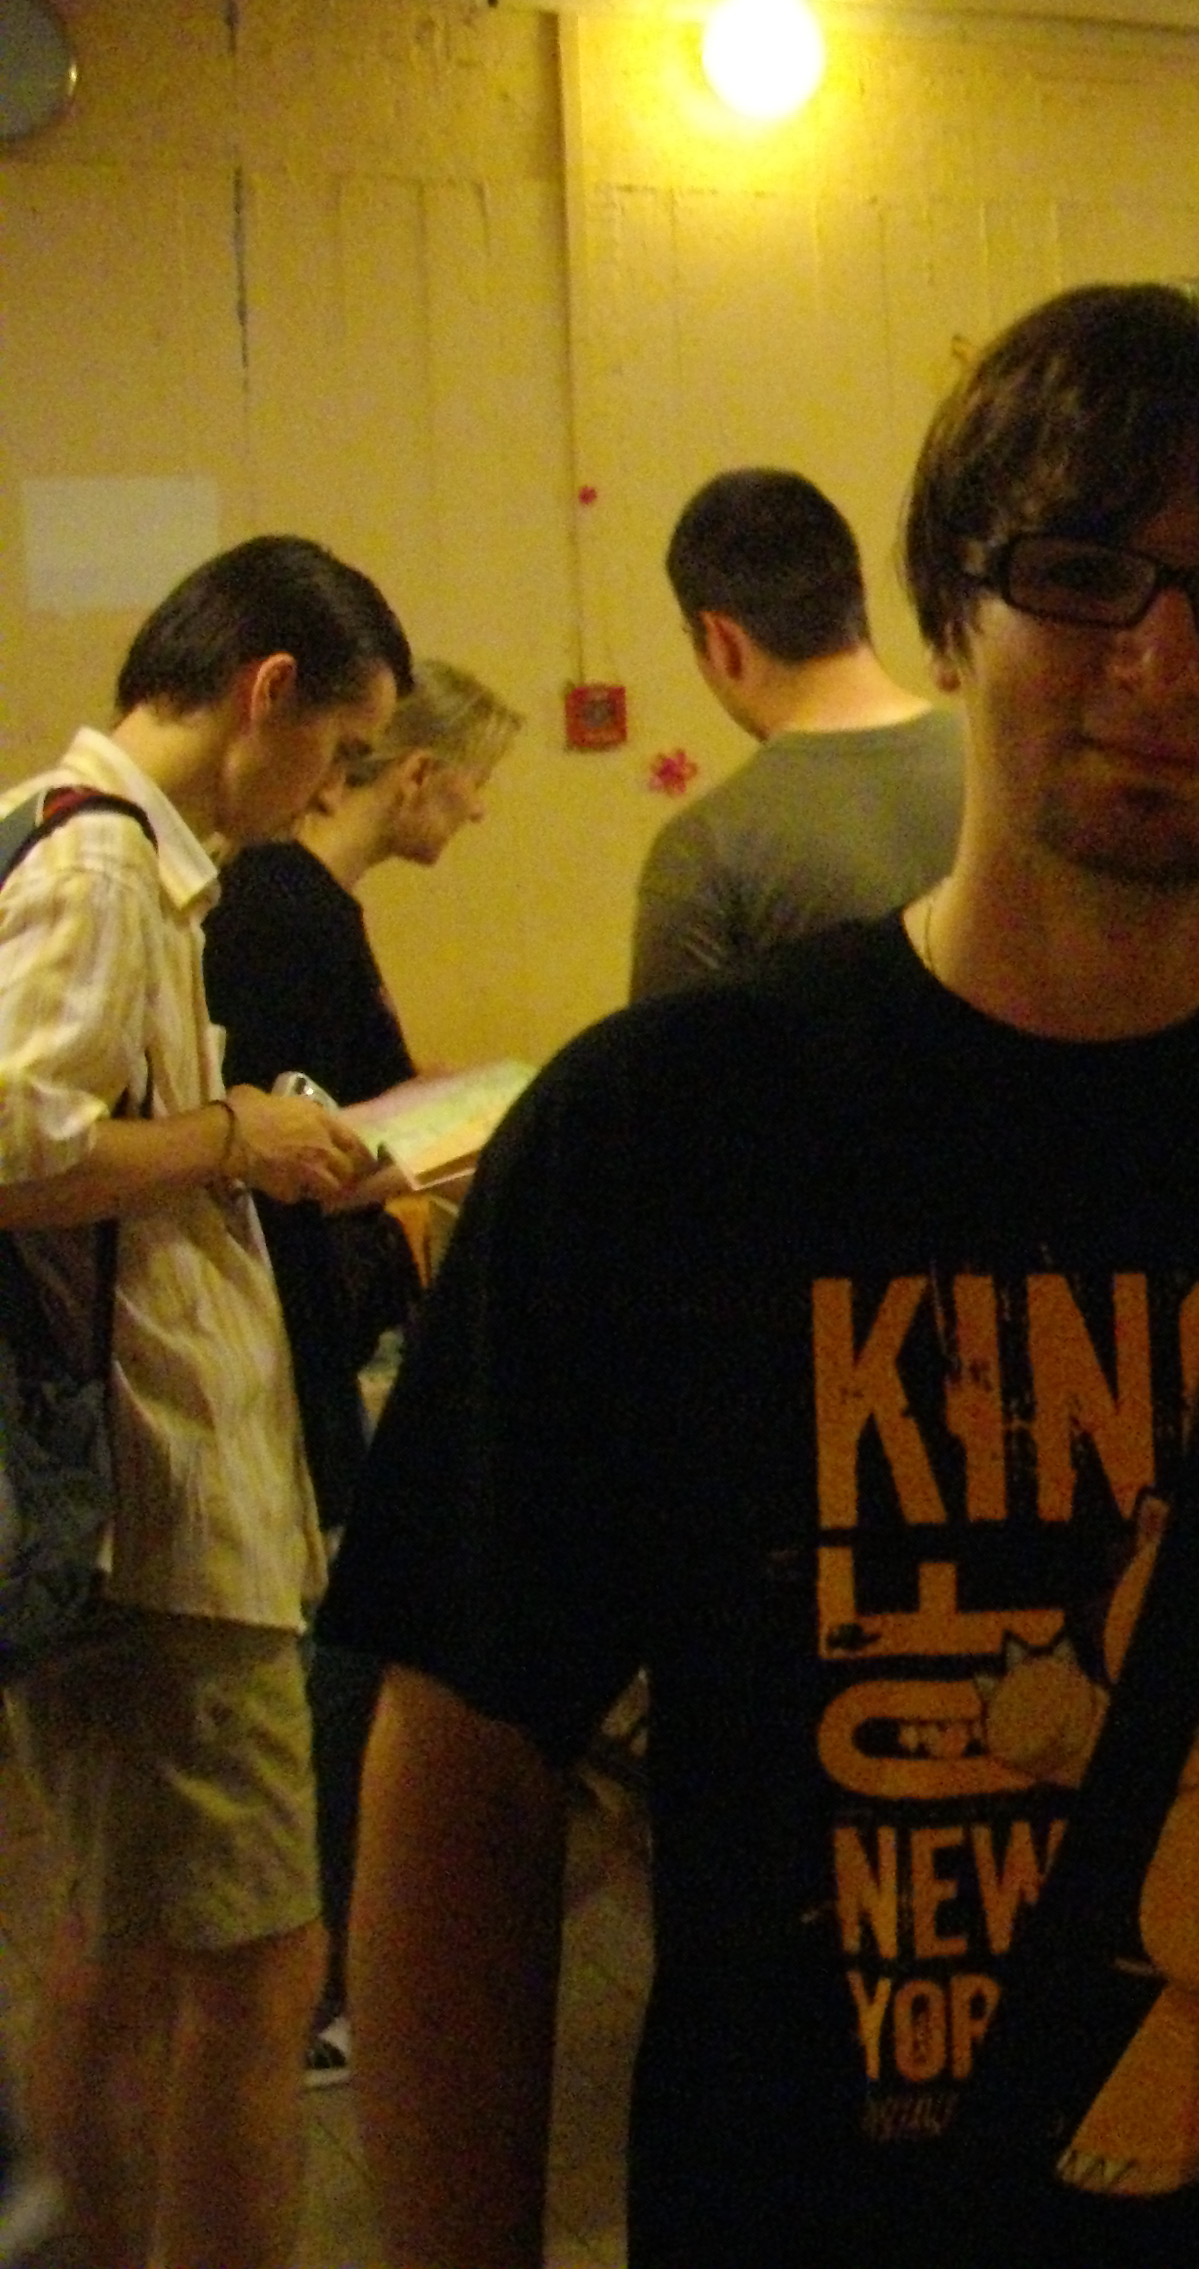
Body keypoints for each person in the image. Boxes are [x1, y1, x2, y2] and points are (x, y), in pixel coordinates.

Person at [328, 281, 1199, 2269]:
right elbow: (465, 1761)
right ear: (951, 611)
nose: (1166, 657)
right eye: (1084, 570)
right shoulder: (668, 1134)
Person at [0, 535, 403, 2269]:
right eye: (340, 749)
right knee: (259, 1962)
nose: (328, 791)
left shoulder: (68, 834)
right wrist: (238, 1135)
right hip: (155, 1504)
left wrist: (248, 1134)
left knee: (124, 1946)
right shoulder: (106, 861)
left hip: (122, 1500)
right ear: (266, 692)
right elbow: (19, 1142)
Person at [202, 656, 525, 2083]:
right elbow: (300, 1147)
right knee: (334, 1659)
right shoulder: (291, 909)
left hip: (298, 1319)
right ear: (414, 775)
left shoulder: (299, 906)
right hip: (282, 1327)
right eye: (478, 785)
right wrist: (454, 1152)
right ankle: (329, 1982)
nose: (480, 813)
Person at [629, 467, 964, 1000]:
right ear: (853, 597)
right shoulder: (1011, 771)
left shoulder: (707, 853)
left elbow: (670, 1057)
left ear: (722, 641)